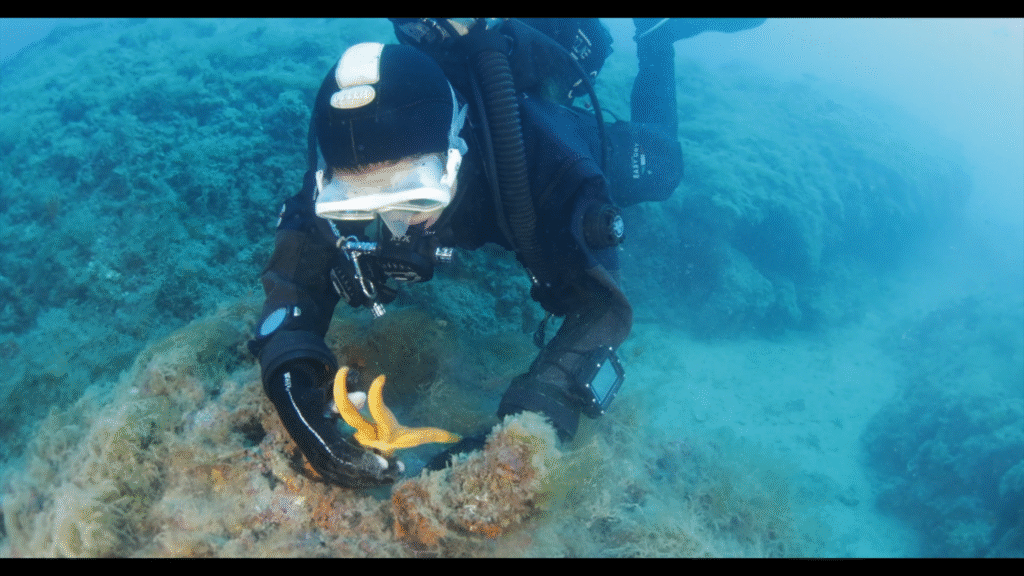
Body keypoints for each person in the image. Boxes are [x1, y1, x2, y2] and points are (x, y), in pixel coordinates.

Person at [248, 18, 766, 488]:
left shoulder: (552, 167)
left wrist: (523, 426)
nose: (395, 226)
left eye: (415, 199)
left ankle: (656, 35)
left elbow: (602, 307)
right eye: (362, 206)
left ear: (456, 156)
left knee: (663, 168)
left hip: (533, 131)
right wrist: (291, 380)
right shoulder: (352, 156)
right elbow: (298, 263)